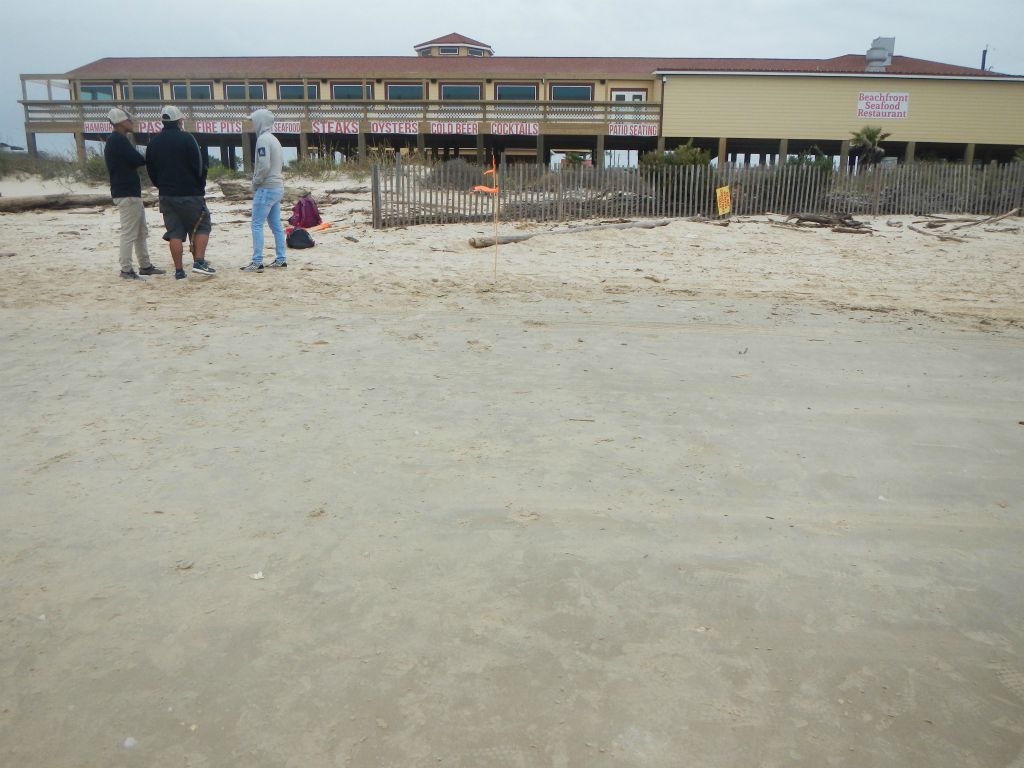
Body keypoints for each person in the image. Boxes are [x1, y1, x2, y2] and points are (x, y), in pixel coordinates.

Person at [144, 106, 215, 279]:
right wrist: (200, 185)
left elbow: (151, 170)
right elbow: (198, 166)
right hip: (190, 192)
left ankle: (179, 271)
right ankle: (199, 262)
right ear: (179, 121)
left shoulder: (153, 143)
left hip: (167, 194)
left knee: (174, 232)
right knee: (202, 225)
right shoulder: (187, 139)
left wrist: (161, 185)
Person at [103, 108, 164, 280]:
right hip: (126, 192)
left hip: (128, 192)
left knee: (139, 231)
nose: (131, 122)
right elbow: (137, 159)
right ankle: (126, 269)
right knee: (130, 232)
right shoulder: (117, 140)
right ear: (121, 122)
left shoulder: (116, 140)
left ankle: (145, 265)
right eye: (128, 120)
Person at [240, 109, 286, 272]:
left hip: (266, 187)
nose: (252, 124)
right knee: (276, 226)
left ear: (260, 121)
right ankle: (281, 258)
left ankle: (257, 261)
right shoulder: (274, 139)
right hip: (277, 187)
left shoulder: (262, 140)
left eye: (253, 121)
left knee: (257, 224)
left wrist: (255, 182)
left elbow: (264, 165)